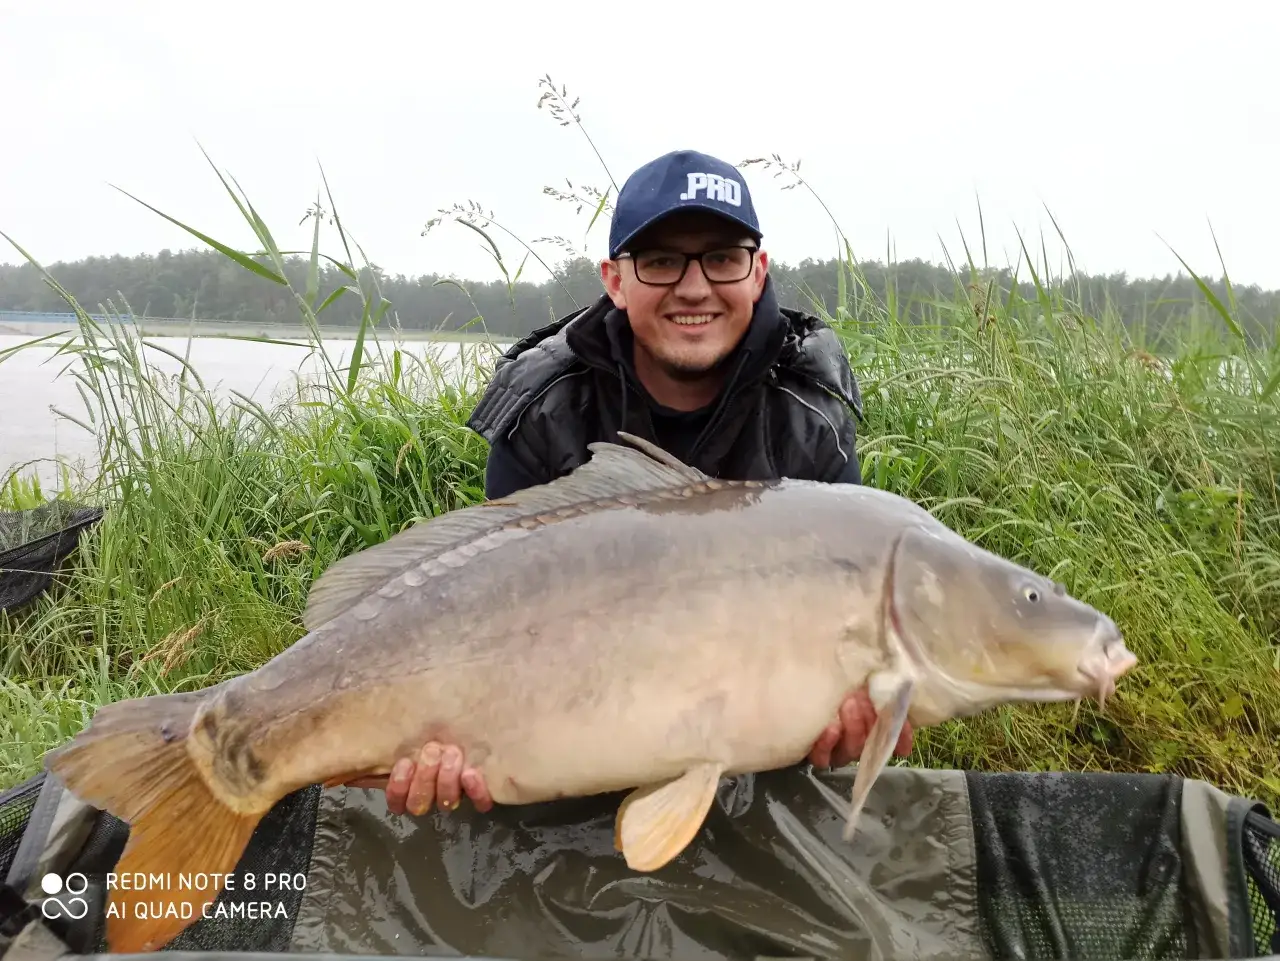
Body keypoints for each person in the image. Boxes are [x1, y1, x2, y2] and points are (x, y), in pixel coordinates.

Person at [346, 149, 913, 816]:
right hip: (556, 734)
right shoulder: (545, 407)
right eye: (661, 261)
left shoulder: (808, 413)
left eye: (723, 258)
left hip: (746, 762)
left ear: (758, 273)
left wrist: (843, 722)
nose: (695, 287)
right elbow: (490, 604)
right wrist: (435, 749)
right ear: (615, 280)